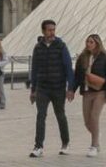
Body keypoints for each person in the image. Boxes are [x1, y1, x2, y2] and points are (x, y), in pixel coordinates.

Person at [29, 20, 76, 158]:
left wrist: (70, 88)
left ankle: (65, 143)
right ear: (43, 31)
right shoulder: (38, 47)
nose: (52, 33)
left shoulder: (61, 46)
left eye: (54, 30)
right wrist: (33, 90)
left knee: (60, 115)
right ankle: (38, 146)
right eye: (49, 30)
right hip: (42, 88)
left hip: (58, 88)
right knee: (40, 116)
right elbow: (35, 69)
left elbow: (68, 67)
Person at [72, 34, 106, 157]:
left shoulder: (104, 58)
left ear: (97, 43)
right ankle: (96, 135)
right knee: (87, 121)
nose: (88, 44)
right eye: (87, 41)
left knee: (94, 117)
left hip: (99, 92)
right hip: (86, 92)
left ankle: (94, 145)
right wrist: (72, 90)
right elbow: (78, 76)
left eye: (91, 42)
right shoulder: (82, 57)